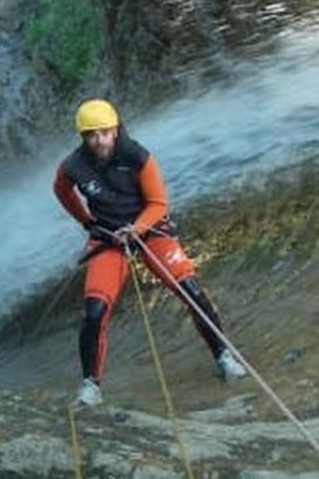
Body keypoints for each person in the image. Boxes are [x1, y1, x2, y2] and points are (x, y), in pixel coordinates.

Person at [53, 99, 247, 407]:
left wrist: (137, 228)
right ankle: (91, 384)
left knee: (191, 290)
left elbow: (158, 203)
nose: (99, 140)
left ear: (115, 130)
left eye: (104, 132)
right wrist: (87, 222)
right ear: (83, 137)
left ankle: (223, 355)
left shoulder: (137, 156)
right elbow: (61, 190)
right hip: (107, 238)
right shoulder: (73, 166)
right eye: (91, 134)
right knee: (94, 311)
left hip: (151, 230)